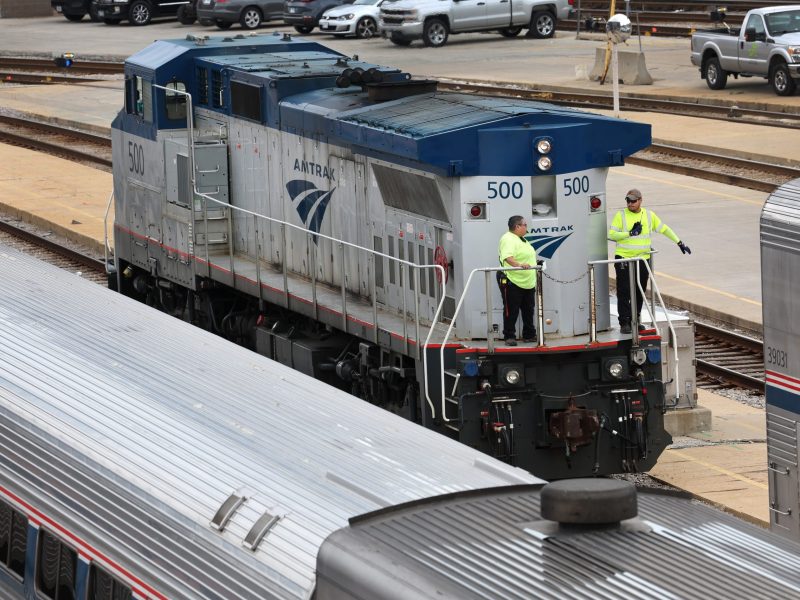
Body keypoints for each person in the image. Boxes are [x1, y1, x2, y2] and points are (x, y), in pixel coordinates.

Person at [608, 188, 691, 334]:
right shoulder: (620, 216)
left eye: (633, 201)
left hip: (642, 259)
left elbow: (664, 229)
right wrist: (630, 233)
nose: (630, 203)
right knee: (624, 291)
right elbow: (611, 235)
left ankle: (636, 319)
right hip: (624, 258)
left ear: (640, 200)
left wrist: (679, 242)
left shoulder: (648, 215)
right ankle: (624, 322)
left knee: (639, 291)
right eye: (628, 200)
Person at [498, 215, 537, 346]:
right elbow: (508, 257)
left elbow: (527, 256)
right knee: (511, 309)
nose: (527, 227)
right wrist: (519, 264)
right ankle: (509, 336)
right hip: (512, 280)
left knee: (528, 309)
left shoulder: (522, 240)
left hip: (527, 282)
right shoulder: (508, 239)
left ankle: (529, 334)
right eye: (525, 225)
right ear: (517, 226)